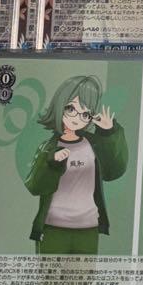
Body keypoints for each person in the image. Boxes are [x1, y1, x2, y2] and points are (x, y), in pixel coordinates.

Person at [24, 76, 127, 255]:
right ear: (59, 105)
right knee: (51, 274)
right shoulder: (48, 147)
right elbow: (34, 186)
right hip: (53, 227)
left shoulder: (94, 144)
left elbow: (114, 170)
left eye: (85, 114)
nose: (76, 118)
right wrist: (51, 161)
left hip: (88, 227)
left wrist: (108, 132)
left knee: (83, 275)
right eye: (71, 109)